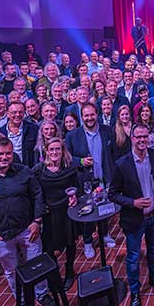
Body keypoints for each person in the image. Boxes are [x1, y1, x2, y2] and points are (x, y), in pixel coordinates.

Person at [0, 137, 58, 306]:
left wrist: (37, 221)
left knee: (36, 263)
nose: (4, 157)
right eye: (0, 154)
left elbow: (37, 195)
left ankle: (42, 293)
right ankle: (21, 300)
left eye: (8, 153)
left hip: (27, 229)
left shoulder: (25, 172)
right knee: (11, 269)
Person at [109, 123, 154, 306]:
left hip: (153, 216)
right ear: (132, 139)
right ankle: (135, 292)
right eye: (139, 137)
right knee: (134, 257)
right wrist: (132, 202)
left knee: (153, 250)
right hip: (134, 219)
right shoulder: (122, 164)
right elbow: (112, 194)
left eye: (145, 137)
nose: (142, 140)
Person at [65, 102, 116, 256]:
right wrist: (80, 161)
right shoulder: (72, 135)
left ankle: (104, 234)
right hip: (85, 180)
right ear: (82, 117)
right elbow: (67, 158)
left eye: (92, 114)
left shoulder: (107, 131)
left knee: (104, 207)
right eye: (86, 115)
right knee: (87, 210)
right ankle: (87, 241)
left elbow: (113, 154)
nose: (89, 118)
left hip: (104, 178)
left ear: (97, 114)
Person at [33, 137, 80, 291]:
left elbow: (76, 187)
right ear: (46, 151)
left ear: (62, 151)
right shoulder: (39, 170)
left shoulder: (70, 167)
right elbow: (34, 192)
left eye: (57, 149)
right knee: (48, 246)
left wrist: (74, 196)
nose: (54, 152)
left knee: (70, 243)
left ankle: (69, 271)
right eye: (51, 149)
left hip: (66, 211)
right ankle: (53, 274)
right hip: (48, 213)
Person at [0, 101, 38, 167]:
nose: (18, 115)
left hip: (28, 168)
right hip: (8, 169)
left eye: (21, 112)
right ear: (7, 114)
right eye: (14, 112)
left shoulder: (33, 129)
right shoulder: (0, 132)